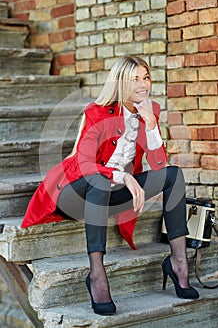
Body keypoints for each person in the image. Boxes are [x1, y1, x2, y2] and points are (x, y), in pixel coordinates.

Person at [22, 55, 199, 316]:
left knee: (174, 175)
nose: (143, 85)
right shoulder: (96, 112)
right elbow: (84, 164)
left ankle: (178, 262)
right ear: (120, 83)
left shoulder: (149, 111)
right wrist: (123, 176)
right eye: (135, 79)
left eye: (146, 77)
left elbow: (159, 165)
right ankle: (96, 275)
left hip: (110, 193)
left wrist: (151, 126)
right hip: (74, 193)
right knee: (100, 181)